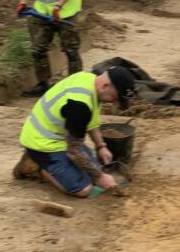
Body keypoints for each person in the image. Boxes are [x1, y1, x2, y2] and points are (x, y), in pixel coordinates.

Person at [14, 67, 137, 197]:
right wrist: (100, 177)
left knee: (93, 168)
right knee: (84, 189)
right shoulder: (79, 105)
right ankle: (37, 167)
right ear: (106, 86)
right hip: (42, 143)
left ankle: (52, 166)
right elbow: (74, 151)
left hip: (61, 137)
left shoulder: (90, 80)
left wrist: (101, 146)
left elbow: (92, 122)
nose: (115, 103)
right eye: (116, 98)